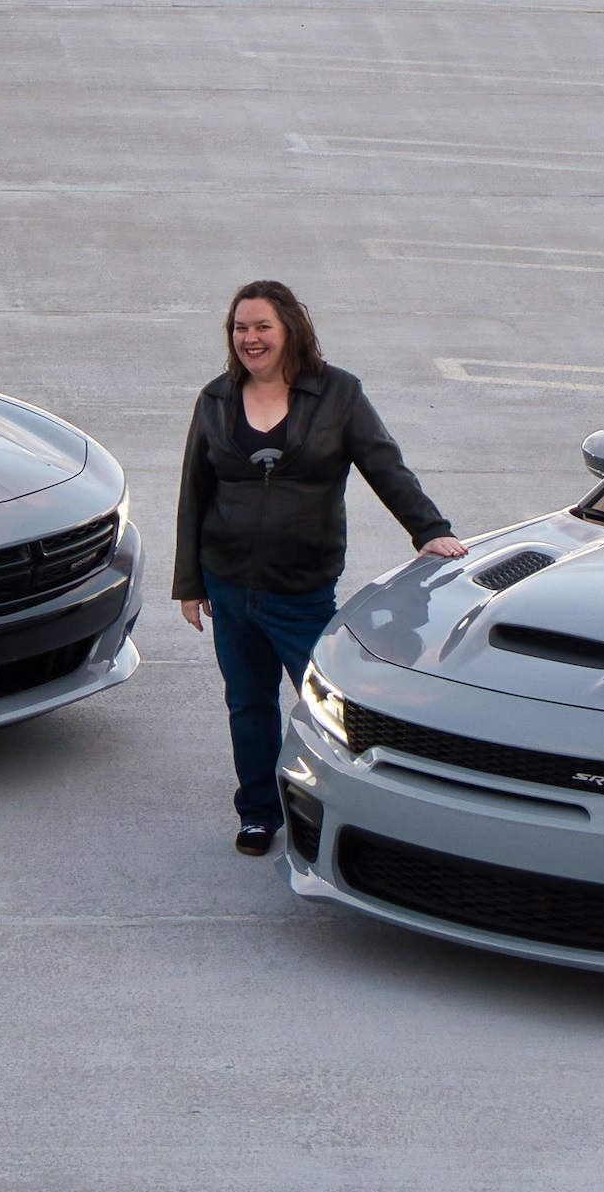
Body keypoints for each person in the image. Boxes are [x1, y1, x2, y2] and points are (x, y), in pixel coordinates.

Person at [173, 280, 467, 856]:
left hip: (301, 589)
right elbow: (194, 490)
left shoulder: (338, 394)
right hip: (228, 585)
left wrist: (431, 530)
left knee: (326, 710)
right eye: (240, 328)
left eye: (262, 327)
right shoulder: (215, 399)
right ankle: (258, 812)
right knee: (247, 704)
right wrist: (189, 583)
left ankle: (341, 810)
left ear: (289, 330)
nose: (250, 339)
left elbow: (385, 465)